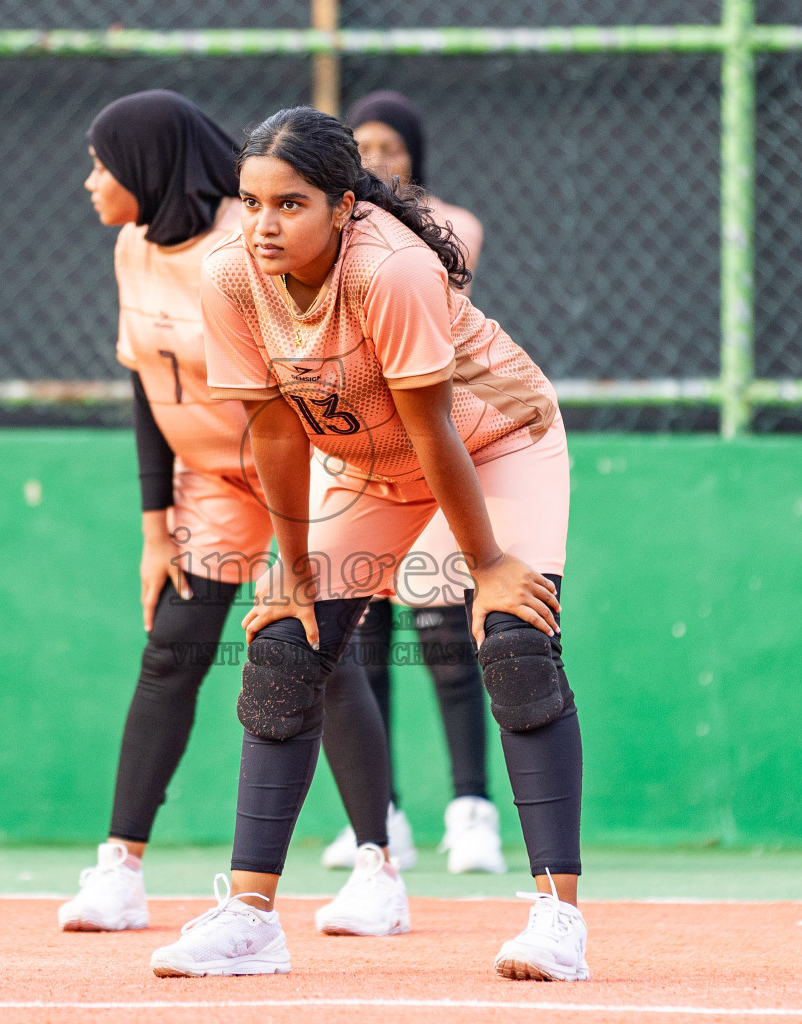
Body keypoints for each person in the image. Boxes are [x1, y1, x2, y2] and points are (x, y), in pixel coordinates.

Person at [148, 106, 587, 981]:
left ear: (344, 205)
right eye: (252, 203)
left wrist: (489, 568)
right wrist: (293, 570)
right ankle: (250, 919)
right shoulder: (231, 273)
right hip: (370, 463)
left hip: (498, 439)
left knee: (515, 641)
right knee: (285, 641)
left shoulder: (392, 268)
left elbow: (435, 430)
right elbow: (276, 430)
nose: (264, 225)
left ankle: (557, 920)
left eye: (291, 204)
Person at [54, 90, 408, 941]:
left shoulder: (247, 242)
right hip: (212, 480)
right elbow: (146, 385)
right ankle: (120, 868)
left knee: (314, 648)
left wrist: (309, 542)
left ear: (147, 165)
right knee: (172, 649)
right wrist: (155, 527)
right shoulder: (133, 246)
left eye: (103, 164)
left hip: (303, 470)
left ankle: (377, 869)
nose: (92, 182)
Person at [317, 91, 506, 875]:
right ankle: (380, 818)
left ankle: (472, 815)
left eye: (391, 147)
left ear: (415, 155)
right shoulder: (328, 233)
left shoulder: (451, 225)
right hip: (357, 454)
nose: (378, 159)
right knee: (363, 648)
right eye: (363, 147)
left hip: (431, 450)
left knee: (447, 640)